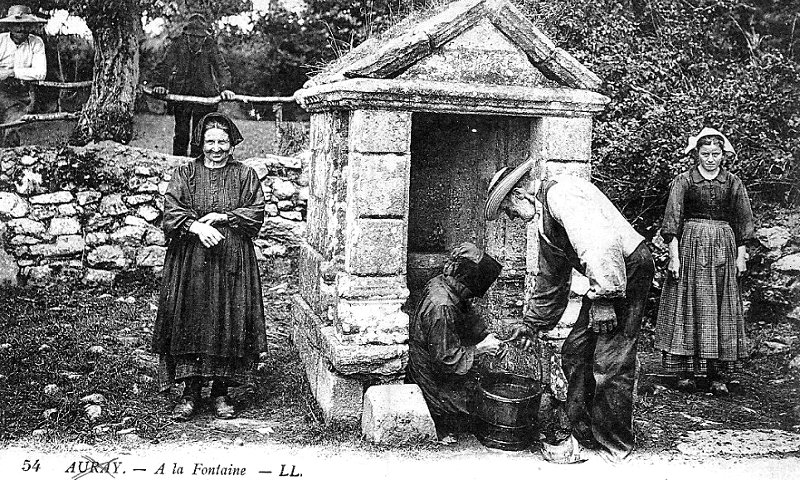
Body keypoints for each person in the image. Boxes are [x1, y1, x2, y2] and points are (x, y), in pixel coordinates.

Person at [485, 160, 654, 462]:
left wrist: (603, 301)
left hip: (624, 272)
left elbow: (599, 244)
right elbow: (552, 279)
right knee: (576, 351)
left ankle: (616, 446)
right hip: (606, 278)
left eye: (508, 210)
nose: (510, 218)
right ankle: (586, 434)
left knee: (610, 359)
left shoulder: (563, 195)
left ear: (520, 194)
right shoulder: (544, 222)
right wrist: (533, 324)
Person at [152, 112, 267, 421]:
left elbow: (256, 213)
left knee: (228, 318)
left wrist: (223, 217)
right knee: (191, 317)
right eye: (210, 142)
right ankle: (189, 393)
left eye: (223, 142)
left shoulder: (245, 176)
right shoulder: (185, 174)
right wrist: (197, 227)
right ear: (200, 143)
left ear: (232, 144)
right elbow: (171, 213)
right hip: (191, 262)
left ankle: (220, 392)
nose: (216, 148)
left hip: (232, 261)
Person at [655, 127, 754, 396]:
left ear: (723, 155)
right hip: (691, 245)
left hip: (723, 245)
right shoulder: (684, 181)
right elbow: (672, 222)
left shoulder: (732, 182)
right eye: (705, 153)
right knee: (689, 303)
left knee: (720, 307)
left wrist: (741, 256)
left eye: (716, 154)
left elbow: (743, 221)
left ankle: (717, 373)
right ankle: (686, 372)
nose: (710, 159)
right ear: (696, 154)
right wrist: (674, 257)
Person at [406, 242, 504, 438]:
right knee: (479, 407)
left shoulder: (444, 283)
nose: (473, 297)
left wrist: (485, 335)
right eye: (472, 292)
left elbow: (467, 313)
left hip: (434, 363)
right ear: (464, 281)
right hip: (430, 375)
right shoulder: (442, 306)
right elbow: (445, 359)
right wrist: (480, 349)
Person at [151, 13, 235, 157]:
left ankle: (198, 169)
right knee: (181, 134)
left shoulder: (210, 45)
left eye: (200, 37)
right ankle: (178, 167)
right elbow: (164, 66)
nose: (196, 41)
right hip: (182, 94)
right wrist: (160, 84)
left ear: (205, 37)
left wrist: (225, 88)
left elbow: (222, 68)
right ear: (187, 35)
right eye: (192, 37)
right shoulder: (178, 44)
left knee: (200, 136)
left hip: (205, 96)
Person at [0, 5, 46, 146]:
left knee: (12, 132)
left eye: (25, 25)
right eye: (16, 25)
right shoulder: (1, 41)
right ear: (9, 26)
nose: (21, 29)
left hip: (18, 97)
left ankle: (9, 164)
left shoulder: (36, 43)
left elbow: (40, 73)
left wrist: (12, 72)